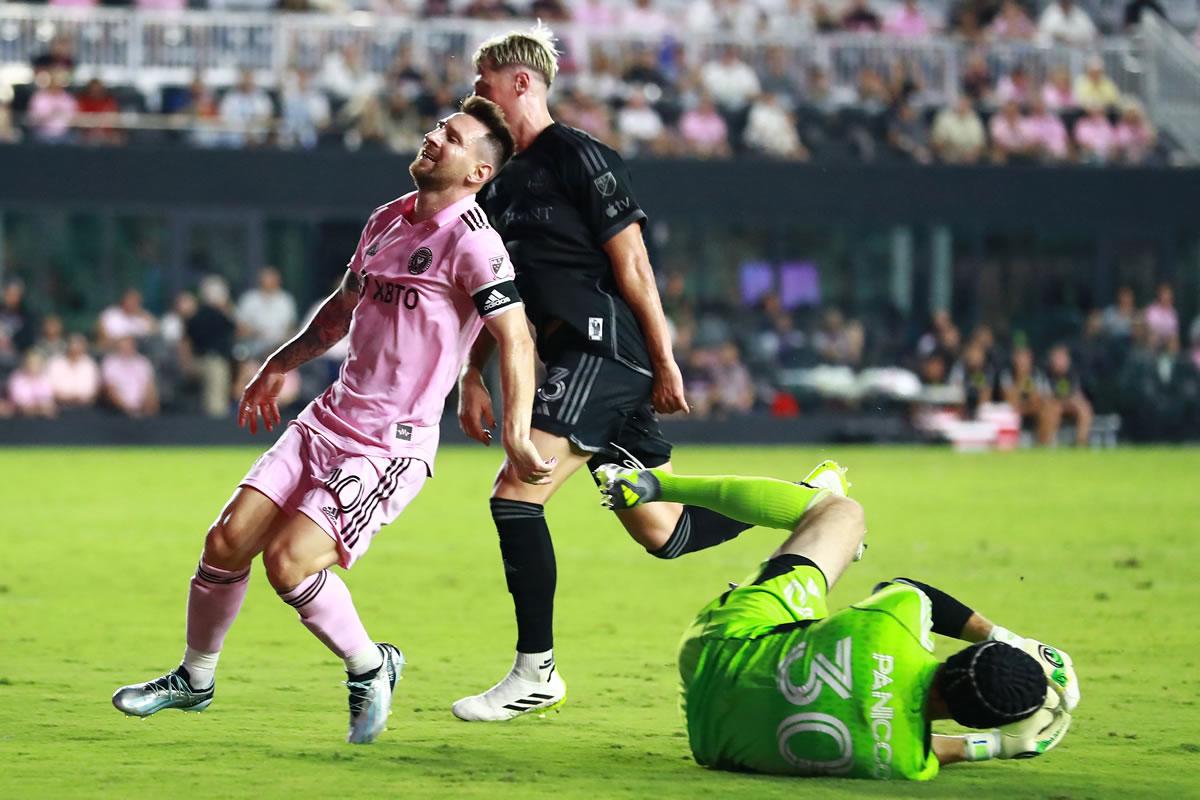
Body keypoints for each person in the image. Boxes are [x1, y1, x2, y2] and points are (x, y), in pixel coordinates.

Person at [111, 97, 552, 746]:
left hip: (385, 449)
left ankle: (372, 666)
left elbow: (514, 336)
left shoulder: (473, 243)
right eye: (437, 127)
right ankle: (195, 680)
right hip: (325, 422)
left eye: (451, 138)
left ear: (476, 174)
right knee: (226, 542)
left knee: (288, 563)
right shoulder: (385, 219)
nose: (432, 137)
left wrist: (515, 430)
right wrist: (278, 364)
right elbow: (341, 309)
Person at [458, 25, 755, 721]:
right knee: (661, 529)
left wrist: (664, 359)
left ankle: (536, 673)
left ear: (520, 83)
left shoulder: (581, 156)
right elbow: (500, 294)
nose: (476, 96)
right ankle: (803, 505)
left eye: (483, 85)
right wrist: (474, 374)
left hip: (601, 347)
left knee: (515, 493)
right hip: (570, 357)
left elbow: (635, 265)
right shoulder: (496, 184)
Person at [593, 460, 1079, 779]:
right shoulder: (905, 760)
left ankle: (661, 486)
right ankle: (815, 527)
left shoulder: (898, 623)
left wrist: (1009, 639)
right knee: (815, 637)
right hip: (710, 741)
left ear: (968, 655)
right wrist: (997, 746)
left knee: (840, 512)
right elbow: (937, 751)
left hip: (718, 644)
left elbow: (905, 589)